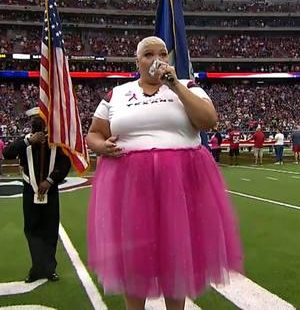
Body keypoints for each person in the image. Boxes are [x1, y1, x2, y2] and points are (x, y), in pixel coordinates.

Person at [86, 36, 242, 310]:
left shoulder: (188, 87)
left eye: (161, 53)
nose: (156, 59)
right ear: (137, 61)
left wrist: (176, 86)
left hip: (181, 183)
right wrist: (102, 146)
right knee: (133, 254)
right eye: (148, 54)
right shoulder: (116, 94)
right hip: (129, 184)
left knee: (175, 252)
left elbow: (208, 120)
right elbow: (94, 135)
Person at [3, 107, 71, 283]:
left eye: (41, 120)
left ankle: (49, 269)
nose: (38, 124)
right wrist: (28, 141)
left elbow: (65, 165)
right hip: (29, 191)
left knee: (49, 230)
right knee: (32, 231)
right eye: (35, 120)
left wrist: (50, 180)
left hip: (51, 191)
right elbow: (7, 153)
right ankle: (36, 267)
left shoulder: (56, 143)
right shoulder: (25, 141)